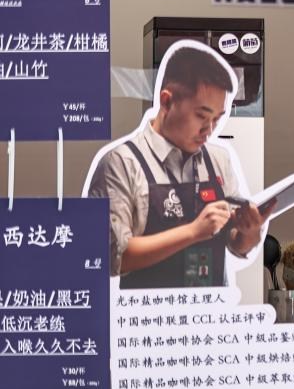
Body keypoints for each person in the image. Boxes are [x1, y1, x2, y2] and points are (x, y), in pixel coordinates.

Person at [87, 44, 273, 289]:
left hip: (212, 311)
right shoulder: (121, 163)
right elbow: (114, 255)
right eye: (201, 116)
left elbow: (236, 243)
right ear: (166, 101)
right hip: (148, 312)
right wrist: (193, 232)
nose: (210, 129)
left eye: (217, 118)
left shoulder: (218, 159)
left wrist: (250, 231)